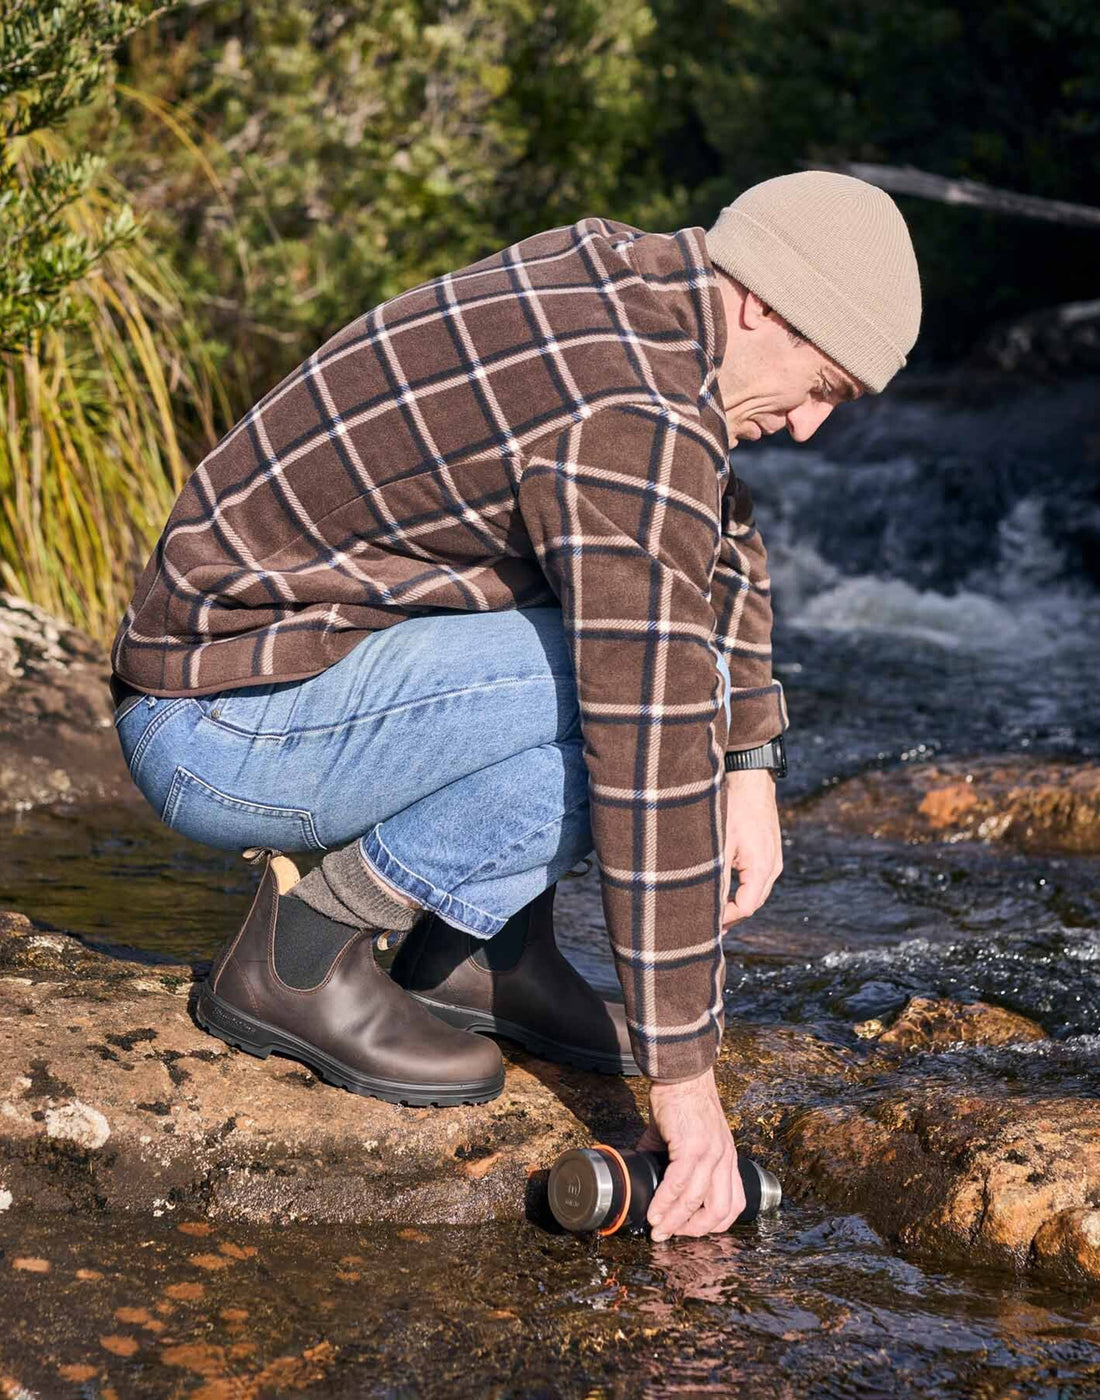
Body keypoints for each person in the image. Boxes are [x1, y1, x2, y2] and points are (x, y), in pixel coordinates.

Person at [108, 170, 920, 1242]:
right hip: (222, 721)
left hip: (274, 671)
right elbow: (650, 739)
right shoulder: (630, 409)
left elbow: (714, 537)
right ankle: (303, 948)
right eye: (821, 383)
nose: (811, 427)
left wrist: (755, 763)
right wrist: (686, 1087)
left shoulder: (638, 287)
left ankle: (483, 951)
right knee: (640, 691)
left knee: (657, 650)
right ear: (759, 300)